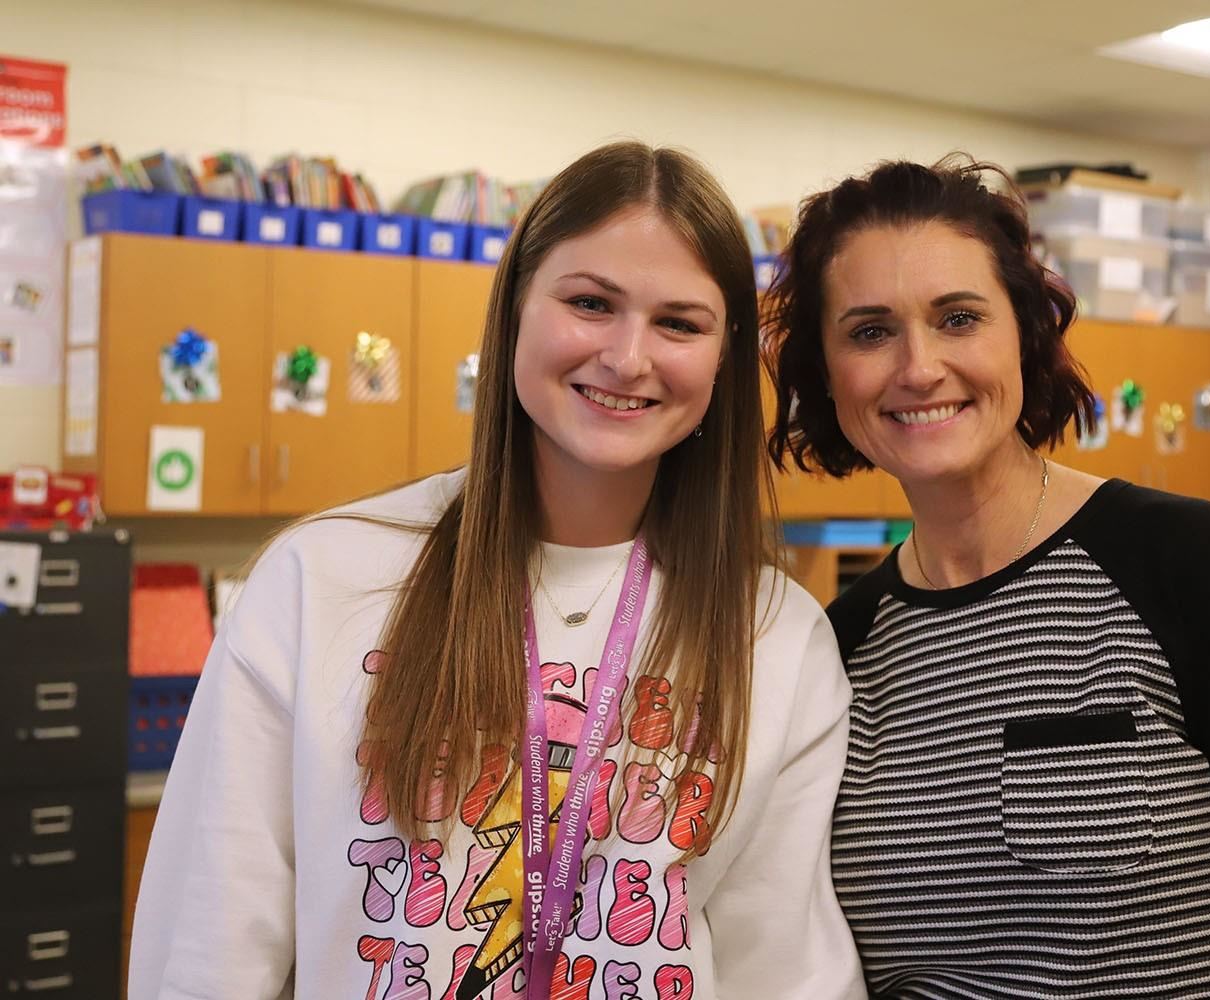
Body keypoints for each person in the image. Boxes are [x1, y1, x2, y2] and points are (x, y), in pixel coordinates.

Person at [130, 141, 864, 1000]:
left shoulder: (774, 632)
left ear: (724, 355)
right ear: (515, 306)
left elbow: (781, 969)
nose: (628, 358)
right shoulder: (321, 579)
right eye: (591, 303)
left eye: (679, 322)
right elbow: (206, 945)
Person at [762, 155, 1210, 1000]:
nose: (918, 366)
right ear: (825, 370)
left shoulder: (1179, 562)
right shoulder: (842, 646)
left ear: (1025, 337)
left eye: (958, 318)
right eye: (870, 331)